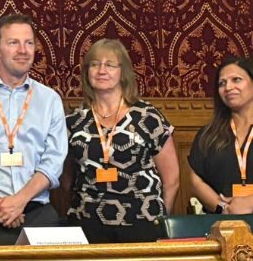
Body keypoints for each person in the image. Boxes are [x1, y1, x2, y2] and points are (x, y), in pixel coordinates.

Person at [0, 14, 67, 245]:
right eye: (13, 43)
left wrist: (20, 200)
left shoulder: (49, 99)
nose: (23, 50)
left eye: (28, 43)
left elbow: (53, 161)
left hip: (37, 210)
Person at [65, 39, 179, 243]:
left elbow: (172, 178)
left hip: (142, 222)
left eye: (110, 64)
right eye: (94, 64)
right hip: (87, 223)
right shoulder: (75, 121)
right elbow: (66, 180)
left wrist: (161, 219)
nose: (101, 70)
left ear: (122, 72)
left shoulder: (148, 117)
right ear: (86, 72)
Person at [189, 56, 253, 215]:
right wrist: (223, 208)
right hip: (221, 223)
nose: (228, 87)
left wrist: (249, 203)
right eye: (222, 83)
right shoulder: (208, 134)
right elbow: (196, 181)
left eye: (236, 80)